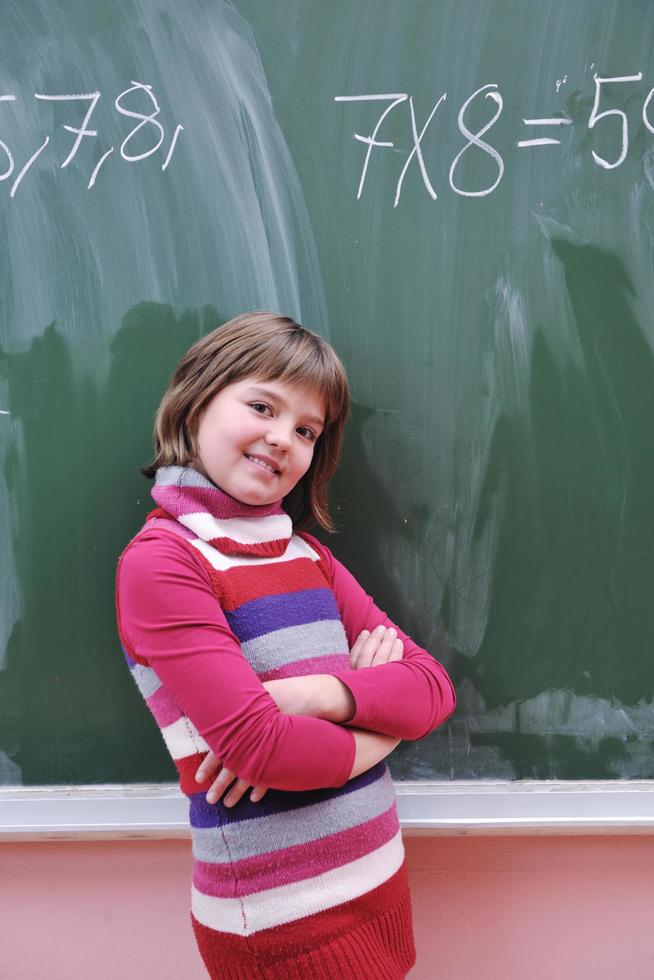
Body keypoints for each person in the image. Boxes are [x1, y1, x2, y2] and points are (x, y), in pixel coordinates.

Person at [115, 311, 456, 979]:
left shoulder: (307, 557)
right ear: (195, 399)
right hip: (284, 924)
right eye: (262, 406)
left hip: (375, 888)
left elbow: (432, 687)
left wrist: (315, 694)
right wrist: (383, 729)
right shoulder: (164, 563)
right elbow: (261, 747)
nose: (282, 439)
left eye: (306, 430)